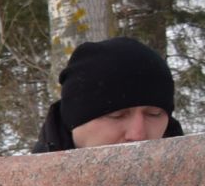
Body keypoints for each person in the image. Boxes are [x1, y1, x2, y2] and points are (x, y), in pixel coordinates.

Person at [33, 36, 183, 151]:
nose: (138, 135)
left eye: (154, 114)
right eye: (117, 115)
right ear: (74, 121)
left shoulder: (199, 180)